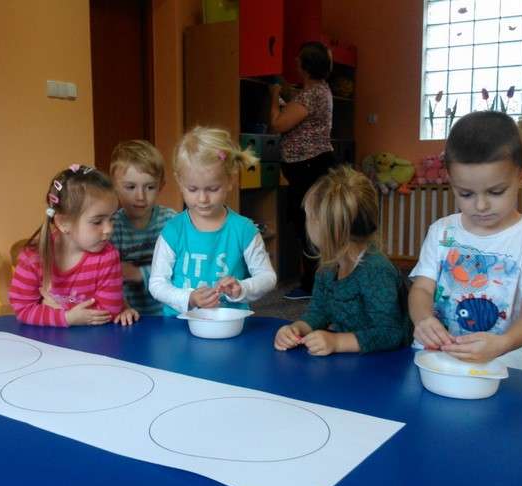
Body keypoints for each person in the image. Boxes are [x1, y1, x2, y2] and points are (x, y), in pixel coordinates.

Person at [408, 111, 522, 371]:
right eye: (466, 194)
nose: (481, 206)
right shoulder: (441, 231)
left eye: (496, 192)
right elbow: (422, 289)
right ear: (451, 181)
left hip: (502, 366)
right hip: (435, 361)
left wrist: (503, 343)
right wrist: (423, 319)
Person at [274, 167, 411, 355]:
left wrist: (338, 342)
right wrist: (297, 328)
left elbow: (390, 332)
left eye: (309, 216)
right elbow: (319, 311)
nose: (306, 223)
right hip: (351, 360)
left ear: (331, 228)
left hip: (387, 362)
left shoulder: (376, 270)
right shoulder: (328, 267)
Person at [149, 126, 277, 314]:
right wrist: (189, 298)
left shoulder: (244, 229)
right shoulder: (173, 230)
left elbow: (267, 277)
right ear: (180, 183)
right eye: (193, 189)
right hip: (179, 323)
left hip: (228, 322)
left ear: (230, 180)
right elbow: (157, 283)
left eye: (212, 189)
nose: (203, 199)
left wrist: (241, 288)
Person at [9, 164, 137, 327]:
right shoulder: (32, 258)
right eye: (97, 221)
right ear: (63, 223)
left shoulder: (108, 256)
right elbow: (22, 309)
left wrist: (59, 311)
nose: (109, 229)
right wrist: (67, 318)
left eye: (111, 219)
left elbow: (108, 311)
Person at [270, 41, 335, 301]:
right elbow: (298, 106)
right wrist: (288, 91)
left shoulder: (311, 95)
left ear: (305, 67)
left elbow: (278, 124)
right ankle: (317, 283)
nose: (296, 64)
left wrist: (274, 96)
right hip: (312, 165)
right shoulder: (320, 90)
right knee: (311, 222)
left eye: (298, 61)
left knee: (307, 224)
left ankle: (311, 285)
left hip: (308, 166)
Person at [109, 140, 177, 315]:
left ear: (161, 187)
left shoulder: (171, 221)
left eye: (150, 187)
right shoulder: (110, 228)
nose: (140, 196)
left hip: (168, 313)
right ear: (114, 187)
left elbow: (182, 268)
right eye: (130, 187)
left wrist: (139, 273)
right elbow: (107, 277)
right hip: (126, 315)